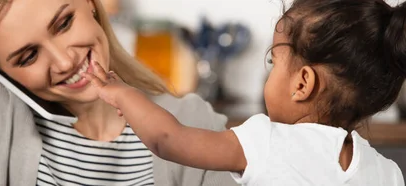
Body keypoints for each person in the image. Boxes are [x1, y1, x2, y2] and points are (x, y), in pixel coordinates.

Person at [83, 0, 406, 185]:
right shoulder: (388, 173)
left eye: (273, 60)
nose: (270, 69)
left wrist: (121, 92)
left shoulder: (266, 141)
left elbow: (168, 139)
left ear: (302, 84)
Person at [0, 0, 237, 185]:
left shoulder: (195, 123)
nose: (65, 61)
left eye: (64, 23)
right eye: (28, 57)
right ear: (0, 73)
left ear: (90, 2)